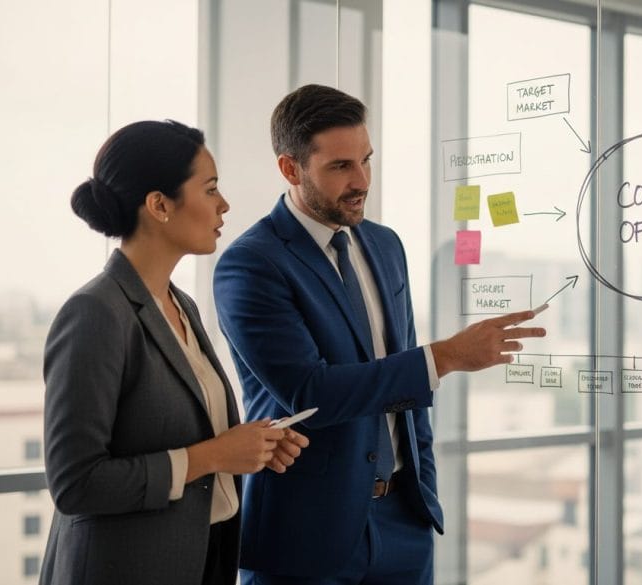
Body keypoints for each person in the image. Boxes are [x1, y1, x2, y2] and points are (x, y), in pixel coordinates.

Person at [213, 84, 547, 585]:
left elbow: (403, 385)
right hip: (307, 538)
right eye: (341, 167)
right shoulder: (251, 264)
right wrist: (445, 357)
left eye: (366, 161)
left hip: (403, 525)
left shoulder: (385, 246)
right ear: (290, 169)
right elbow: (310, 391)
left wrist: (422, 492)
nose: (361, 180)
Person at [40, 120, 310, 585]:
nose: (224, 205)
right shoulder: (95, 313)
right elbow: (76, 484)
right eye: (210, 190)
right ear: (159, 205)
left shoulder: (180, 305)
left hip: (200, 560)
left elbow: (183, 429)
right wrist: (213, 456)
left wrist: (250, 445)